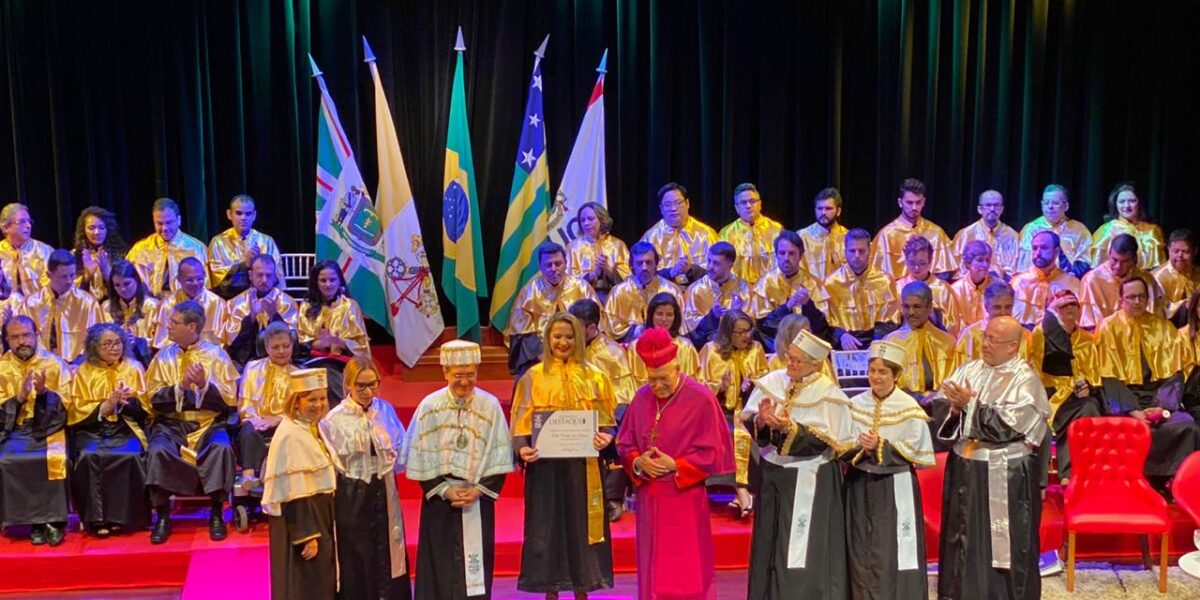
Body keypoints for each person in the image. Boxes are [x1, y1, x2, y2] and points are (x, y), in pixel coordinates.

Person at [616, 326, 735, 600]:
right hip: (650, 498)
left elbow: (714, 452)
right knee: (652, 568)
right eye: (651, 379)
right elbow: (625, 444)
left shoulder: (701, 398)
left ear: (677, 367)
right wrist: (637, 462)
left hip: (685, 497)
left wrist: (676, 464)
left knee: (687, 568)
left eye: (662, 378)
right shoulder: (642, 397)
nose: (657, 386)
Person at [936, 316, 1050, 600]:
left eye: (993, 340)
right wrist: (952, 409)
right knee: (962, 538)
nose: (985, 344)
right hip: (965, 469)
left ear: (1013, 347)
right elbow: (940, 405)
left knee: (1005, 545)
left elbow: (1009, 427)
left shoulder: (1025, 379)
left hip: (1005, 473)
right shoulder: (970, 369)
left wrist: (969, 406)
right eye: (984, 337)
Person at [741, 329, 854, 598]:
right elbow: (750, 422)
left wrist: (790, 428)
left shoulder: (828, 395)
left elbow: (827, 441)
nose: (789, 364)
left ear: (815, 364)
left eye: (797, 361)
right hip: (773, 477)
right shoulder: (773, 382)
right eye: (789, 358)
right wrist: (761, 422)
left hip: (810, 479)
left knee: (801, 551)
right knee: (769, 544)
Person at [510, 313, 617, 598]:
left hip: (584, 467)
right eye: (557, 336)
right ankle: (550, 589)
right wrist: (522, 448)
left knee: (582, 527)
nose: (563, 342)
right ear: (547, 339)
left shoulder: (596, 376)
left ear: (579, 339)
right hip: (544, 468)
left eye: (569, 337)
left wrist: (606, 436)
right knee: (547, 528)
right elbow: (520, 422)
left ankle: (583, 587)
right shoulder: (532, 377)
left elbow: (608, 422)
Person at [405, 341, 514, 600]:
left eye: (470, 375)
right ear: (445, 373)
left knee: (474, 569)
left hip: (477, 498)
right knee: (438, 562)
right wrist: (445, 489)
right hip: (440, 499)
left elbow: (499, 453)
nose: (464, 382)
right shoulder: (429, 406)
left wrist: (478, 490)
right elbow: (420, 455)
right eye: (458, 376)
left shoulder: (490, 406)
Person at [144, 300, 240, 543]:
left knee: (221, 448)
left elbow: (230, 401)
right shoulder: (162, 358)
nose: (168, 327)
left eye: (174, 323)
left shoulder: (217, 355)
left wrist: (204, 385)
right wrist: (181, 387)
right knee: (157, 451)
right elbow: (151, 399)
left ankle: (217, 513)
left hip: (208, 423)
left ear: (192, 327)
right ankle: (163, 516)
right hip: (172, 423)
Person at [845, 341, 934, 600]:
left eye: (883, 371)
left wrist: (881, 445)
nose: (876, 377)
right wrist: (859, 447)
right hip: (859, 484)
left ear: (896, 375)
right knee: (860, 546)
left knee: (889, 550)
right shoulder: (855, 403)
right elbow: (843, 443)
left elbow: (915, 451)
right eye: (872, 370)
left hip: (894, 487)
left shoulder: (909, 408)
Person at [319, 356, 412, 599]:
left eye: (373, 384)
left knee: (387, 547)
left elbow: (402, 446)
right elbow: (332, 463)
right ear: (348, 384)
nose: (368, 391)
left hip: (384, 489)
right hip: (351, 492)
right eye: (361, 385)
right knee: (356, 550)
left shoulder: (385, 410)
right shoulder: (333, 419)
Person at [1095, 276, 1197, 483]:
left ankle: (1161, 482)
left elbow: (1174, 375)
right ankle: (1129, 481)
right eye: (1131, 297)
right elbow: (1108, 377)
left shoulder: (1164, 328)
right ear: (1121, 299)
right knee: (1124, 426)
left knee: (1188, 426)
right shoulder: (1107, 328)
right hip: (1123, 401)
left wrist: (1161, 408)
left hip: (1157, 399)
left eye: (1141, 296)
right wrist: (1132, 409)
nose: (1137, 301)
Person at [67, 323, 150, 538]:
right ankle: (97, 519)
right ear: (95, 347)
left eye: (118, 343)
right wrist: (105, 405)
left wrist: (124, 403)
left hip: (125, 426)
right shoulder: (83, 371)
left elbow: (147, 406)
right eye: (107, 344)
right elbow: (75, 410)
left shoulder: (134, 367)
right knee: (89, 456)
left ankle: (122, 518)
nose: (114, 348)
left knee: (130, 456)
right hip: (93, 428)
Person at [262, 368, 337, 600]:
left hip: (319, 514)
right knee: (306, 583)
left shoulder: (311, 427)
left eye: (322, 398)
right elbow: (294, 490)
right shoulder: (290, 434)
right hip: (304, 522)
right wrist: (307, 535)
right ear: (296, 402)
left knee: (320, 581)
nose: (319, 404)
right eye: (311, 399)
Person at [0, 315, 72, 546]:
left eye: (26, 335)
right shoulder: (2, 367)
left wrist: (43, 395)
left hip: (48, 428)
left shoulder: (54, 364)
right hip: (15, 429)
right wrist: (19, 398)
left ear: (36, 335)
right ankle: (31, 522)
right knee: (6, 460)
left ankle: (53, 522)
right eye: (15, 337)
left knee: (53, 459)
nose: (22, 341)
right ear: (7, 340)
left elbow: (67, 405)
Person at [568, 299, 637, 522]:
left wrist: (605, 425)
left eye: (576, 330)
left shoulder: (612, 353)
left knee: (615, 435)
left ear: (591, 328)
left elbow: (624, 396)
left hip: (605, 417)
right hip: (571, 415)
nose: (571, 336)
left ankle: (611, 498)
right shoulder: (566, 349)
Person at [697, 310, 767, 516]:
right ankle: (742, 492)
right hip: (719, 411)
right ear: (728, 333)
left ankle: (741, 494)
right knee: (730, 435)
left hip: (748, 410)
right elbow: (699, 388)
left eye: (748, 330)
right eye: (740, 332)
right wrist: (721, 386)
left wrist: (750, 386)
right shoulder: (711, 350)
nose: (746, 336)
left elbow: (766, 380)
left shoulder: (756, 349)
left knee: (748, 433)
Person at [1029, 290, 1103, 484]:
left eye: (1073, 305)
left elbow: (1094, 375)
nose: (1070, 309)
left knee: (1089, 408)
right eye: (1063, 306)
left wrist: (1088, 386)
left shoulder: (1087, 339)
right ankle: (1063, 474)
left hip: (1077, 395)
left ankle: (1076, 472)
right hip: (1050, 393)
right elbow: (1039, 369)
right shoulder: (1040, 333)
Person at [507, 241, 602, 379]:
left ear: (566, 263)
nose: (554, 268)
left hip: (580, 350)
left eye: (558, 264)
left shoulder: (582, 287)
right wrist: (544, 357)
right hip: (541, 353)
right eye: (548, 265)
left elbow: (596, 323)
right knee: (527, 378)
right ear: (540, 266)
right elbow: (523, 335)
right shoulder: (528, 293)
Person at [236, 322, 297, 495]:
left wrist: (278, 419)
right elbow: (245, 403)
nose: (281, 351)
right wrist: (257, 420)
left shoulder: (298, 374)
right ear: (266, 347)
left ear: (292, 345)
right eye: (275, 347)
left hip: (284, 424)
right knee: (247, 430)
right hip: (254, 422)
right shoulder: (252, 368)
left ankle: (268, 474)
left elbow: (300, 411)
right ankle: (249, 476)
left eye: (286, 346)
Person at [748, 230, 830, 352]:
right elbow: (762, 326)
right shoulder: (765, 284)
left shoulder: (812, 283)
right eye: (782, 253)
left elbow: (822, 326)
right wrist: (787, 307)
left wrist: (808, 305)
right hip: (774, 346)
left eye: (792, 253)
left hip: (807, 346)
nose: (786, 258)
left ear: (800, 255)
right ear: (776, 254)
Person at [19, 248, 105, 362]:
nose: (69, 281)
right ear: (49, 275)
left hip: (78, 367)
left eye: (72, 275)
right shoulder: (30, 304)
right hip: (40, 365)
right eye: (64, 276)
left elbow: (97, 340)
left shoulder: (88, 303)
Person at [884, 282, 960, 404]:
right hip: (901, 407)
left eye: (917, 306)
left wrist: (936, 397)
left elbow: (955, 383)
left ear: (929, 307)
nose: (911, 312)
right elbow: (885, 385)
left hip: (940, 408)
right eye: (906, 307)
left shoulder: (948, 343)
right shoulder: (889, 342)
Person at [825, 228, 898, 350]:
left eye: (861, 251)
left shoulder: (885, 280)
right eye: (852, 251)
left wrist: (877, 341)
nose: (857, 256)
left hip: (878, 341)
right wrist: (841, 335)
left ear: (869, 251)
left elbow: (891, 320)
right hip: (845, 343)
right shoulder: (831, 283)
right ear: (845, 252)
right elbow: (825, 321)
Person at [224, 254, 300, 368]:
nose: (264, 280)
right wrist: (251, 318)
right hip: (245, 363)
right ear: (250, 275)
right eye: (259, 275)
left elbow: (293, 343)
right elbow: (232, 345)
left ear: (275, 276)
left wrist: (274, 316)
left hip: (281, 362)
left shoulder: (287, 302)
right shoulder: (236, 303)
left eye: (268, 275)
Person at [870, 178, 955, 278]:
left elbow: (943, 275)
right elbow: (878, 278)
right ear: (900, 202)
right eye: (909, 203)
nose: (914, 207)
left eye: (918, 202)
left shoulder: (936, 233)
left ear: (924, 202)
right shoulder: (886, 235)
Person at [126, 197, 209, 297]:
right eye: (159, 223)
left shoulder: (196, 249)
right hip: (149, 307)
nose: (164, 228)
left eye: (169, 223)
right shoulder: (140, 249)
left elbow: (206, 289)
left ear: (178, 220)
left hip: (186, 307)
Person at [1078, 233, 1164, 330]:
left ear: (1134, 260)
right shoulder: (1091, 280)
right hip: (1105, 338)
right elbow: (1089, 324)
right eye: (1114, 260)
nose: (1118, 266)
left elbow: (1155, 319)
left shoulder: (1146, 279)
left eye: (1124, 261)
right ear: (1109, 254)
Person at [604, 242, 685, 342]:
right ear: (631, 265)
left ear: (656, 263)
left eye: (648, 262)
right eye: (639, 263)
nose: (644, 268)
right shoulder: (618, 293)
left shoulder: (671, 290)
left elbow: (680, 326)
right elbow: (611, 330)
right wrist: (639, 331)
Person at [640, 182, 718, 287]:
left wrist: (690, 270)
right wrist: (671, 272)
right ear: (661, 209)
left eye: (678, 203)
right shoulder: (650, 237)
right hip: (662, 293)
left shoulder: (706, 234)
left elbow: (719, 271)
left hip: (700, 292)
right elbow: (641, 275)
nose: (673, 209)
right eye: (668, 205)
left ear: (687, 204)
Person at [208, 194, 282, 300]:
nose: (243, 218)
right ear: (229, 214)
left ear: (254, 215)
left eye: (248, 214)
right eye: (239, 213)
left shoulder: (266, 241)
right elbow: (218, 283)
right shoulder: (218, 243)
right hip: (230, 300)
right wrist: (244, 265)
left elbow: (277, 277)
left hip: (263, 299)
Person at [297, 259, 371, 359]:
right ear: (316, 282)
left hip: (344, 361)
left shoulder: (350, 305)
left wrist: (341, 343)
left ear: (340, 281)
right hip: (313, 360)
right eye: (323, 280)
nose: (328, 284)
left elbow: (361, 344)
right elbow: (302, 341)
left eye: (332, 280)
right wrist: (322, 343)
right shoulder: (307, 305)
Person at [683, 241, 752, 347]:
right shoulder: (695, 290)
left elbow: (752, 327)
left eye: (716, 263)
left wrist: (737, 314)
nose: (710, 267)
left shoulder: (744, 289)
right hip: (708, 350)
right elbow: (690, 329)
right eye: (709, 261)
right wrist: (712, 316)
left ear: (730, 266)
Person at [893, 235, 964, 335]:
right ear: (906, 261)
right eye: (912, 263)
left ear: (930, 261)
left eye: (922, 263)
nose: (916, 268)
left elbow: (952, 326)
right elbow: (892, 324)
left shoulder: (943, 289)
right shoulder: (897, 288)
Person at [152, 256, 229, 348]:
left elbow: (221, 344)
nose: (195, 283)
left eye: (199, 279)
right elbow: (162, 343)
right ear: (178, 279)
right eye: (190, 280)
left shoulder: (218, 304)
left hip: (209, 358)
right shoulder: (167, 304)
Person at [1016, 184, 1093, 275]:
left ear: (1066, 206)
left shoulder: (1079, 230)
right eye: (1046, 203)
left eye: (1055, 203)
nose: (1050, 207)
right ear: (1041, 204)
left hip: (1068, 283)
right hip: (1036, 283)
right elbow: (1024, 266)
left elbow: (1085, 261)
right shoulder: (1030, 229)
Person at [1010, 230, 1082, 327]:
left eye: (1044, 248)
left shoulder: (1072, 284)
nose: (1038, 253)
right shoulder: (1017, 282)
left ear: (1056, 252)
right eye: (1035, 248)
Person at [627, 293, 700, 385]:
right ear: (651, 315)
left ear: (675, 318)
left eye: (669, 315)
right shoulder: (635, 347)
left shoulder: (686, 347)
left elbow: (692, 384)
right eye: (659, 314)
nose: (664, 319)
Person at [1091, 182, 1166, 270]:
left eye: (1132, 201)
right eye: (1122, 202)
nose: (1126, 206)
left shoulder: (1153, 231)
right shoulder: (1105, 231)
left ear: (1140, 203)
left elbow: (1159, 270)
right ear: (1115, 204)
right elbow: (1097, 271)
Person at [719, 183, 783, 285]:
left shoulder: (776, 230)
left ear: (760, 204)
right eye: (743, 202)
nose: (748, 206)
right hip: (738, 292)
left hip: (770, 291)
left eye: (752, 201)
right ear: (736, 208)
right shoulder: (726, 233)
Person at [566, 202, 630, 302]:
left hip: (614, 296)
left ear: (602, 220)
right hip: (583, 298)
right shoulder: (573, 247)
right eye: (582, 220)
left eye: (590, 219)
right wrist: (592, 274)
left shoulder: (617, 245)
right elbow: (569, 280)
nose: (586, 223)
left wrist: (608, 269)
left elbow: (628, 279)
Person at [956, 282, 1033, 362]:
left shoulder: (1024, 336)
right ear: (986, 307)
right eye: (997, 307)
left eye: (1008, 307)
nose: (1003, 313)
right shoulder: (970, 336)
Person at [103, 260, 160, 366]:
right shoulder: (106, 307)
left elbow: (159, 343)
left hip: (146, 363)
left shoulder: (153, 306)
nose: (122, 289)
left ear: (137, 281)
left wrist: (137, 341)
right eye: (117, 285)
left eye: (127, 283)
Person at [953, 190, 1020, 279]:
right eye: (988, 205)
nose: (992, 209)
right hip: (971, 288)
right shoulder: (964, 235)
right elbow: (957, 272)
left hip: (1002, 288)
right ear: (979, 209)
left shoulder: (1013, 236)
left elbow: (1016, 273)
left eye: (996, 205)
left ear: (1002, 209)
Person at [73, 206, 127, 303]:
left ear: (108, 229)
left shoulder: (120, 255)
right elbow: (69, 293)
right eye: (91, 228)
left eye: (101, 227)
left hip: (112, 308)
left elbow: (128, 290)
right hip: (85, 308)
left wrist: (107, 273)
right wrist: (86, 277)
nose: (97, 232)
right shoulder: (74, 256)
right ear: (83, 230)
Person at [0, 202, 53, 296]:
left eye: (29, 221)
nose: (28, 225)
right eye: (22, 222)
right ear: (5, 228)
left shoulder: (45, 251)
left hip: (39, 308)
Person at [797, 187, 848, 281]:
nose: (823, 212)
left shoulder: (848, 238)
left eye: (828, 209)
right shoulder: (802, 237)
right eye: (820, 208)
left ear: (838, 211)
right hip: (811, 293)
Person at [1151, 228, 1200, 326]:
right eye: (1176, 251)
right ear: (1168, 249)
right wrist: (1183, 305)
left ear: (1195, 251)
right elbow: (1156, 310)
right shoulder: (1156, 277)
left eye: (1185, 252)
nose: (1180, 256)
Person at [765, 314, 836, 380]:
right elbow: (770, 388)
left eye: (809, 330)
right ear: (791, 334)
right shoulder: (775, 360)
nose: (810, 334)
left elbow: (831, 388)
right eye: (806, 331)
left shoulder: (819, 359)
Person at [950, 240, 996, 329]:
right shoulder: (955, 291)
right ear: (968, 263)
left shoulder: (996, 288)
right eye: (980, 260)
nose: (985, 265)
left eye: (988, 260)